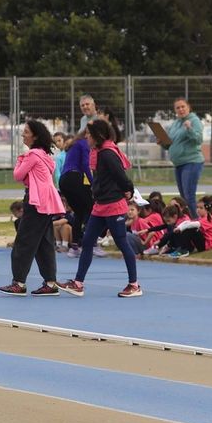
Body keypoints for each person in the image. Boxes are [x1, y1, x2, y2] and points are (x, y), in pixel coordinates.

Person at [59, 119, 140, 298]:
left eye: (88, 134)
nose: (86, 136)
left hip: (114, 204)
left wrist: (129, 190)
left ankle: (134, 284)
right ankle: (78, 283)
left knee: (121, 242)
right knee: (87, 241)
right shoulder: (97, 152)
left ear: (97, 136)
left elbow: (121, 175)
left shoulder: (108, 154)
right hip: (100, 205)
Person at [0, 120, 65, 295]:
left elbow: (18, 175)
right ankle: (50, 283)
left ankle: (18, 283)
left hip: (36, 201)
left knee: (24, 242)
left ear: (35, 136)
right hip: (47, 202)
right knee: (44, 243)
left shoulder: (32, 155)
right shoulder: (44, 154)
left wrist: (20, 159)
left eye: (26, 132)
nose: (23, 134)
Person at [162, 98, 205, 219]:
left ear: (188, 107)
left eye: (183, 106)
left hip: (191, 161)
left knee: (188, 196)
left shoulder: (194, 120)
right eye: (178, 108)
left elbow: (198, 140)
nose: (181, 109)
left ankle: (199, 224)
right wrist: (162, 142)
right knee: (183, 198)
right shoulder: (176, 123)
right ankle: (189, 223)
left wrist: (189, 129)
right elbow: (170, 144)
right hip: (178, 163)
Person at [58, 124, 93, 253]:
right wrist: (93, 183)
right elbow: (85, 165)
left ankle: (75, 245)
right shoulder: (84, 143)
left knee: (79, 211)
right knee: (91, 208)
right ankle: (91, 243)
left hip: (64, 180)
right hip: (74, 177)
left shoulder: (74, 144)